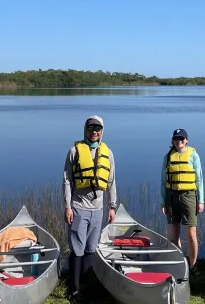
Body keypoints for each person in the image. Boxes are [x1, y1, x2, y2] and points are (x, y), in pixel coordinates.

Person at [63, 115, 117, 303]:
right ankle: (73, 289)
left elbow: (111, 182)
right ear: (85, 129)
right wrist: (68, 206)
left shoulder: (107, 153)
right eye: (91, 128)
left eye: (98, 128)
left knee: (91, 249)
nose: (94, 131)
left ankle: (87, 285)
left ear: (102, 131)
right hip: (78, 207)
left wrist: (112, 206)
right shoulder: (74, 151)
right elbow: (68, 180)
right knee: (77, 249)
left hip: (98, 209)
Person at [161, 128, 204, 273]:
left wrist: (201, 200)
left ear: (186, 140)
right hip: (171, 196)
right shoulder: (168, 157)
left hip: (188, 196)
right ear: (172, 141)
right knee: (173, 234)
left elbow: (199, 179)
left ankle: (193, 265)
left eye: (181, 139)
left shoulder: (193, 155)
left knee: (191, 234)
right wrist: (163, 201)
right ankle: (179, 262)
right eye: (176, 139)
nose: (178, 141)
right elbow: (162, 181)